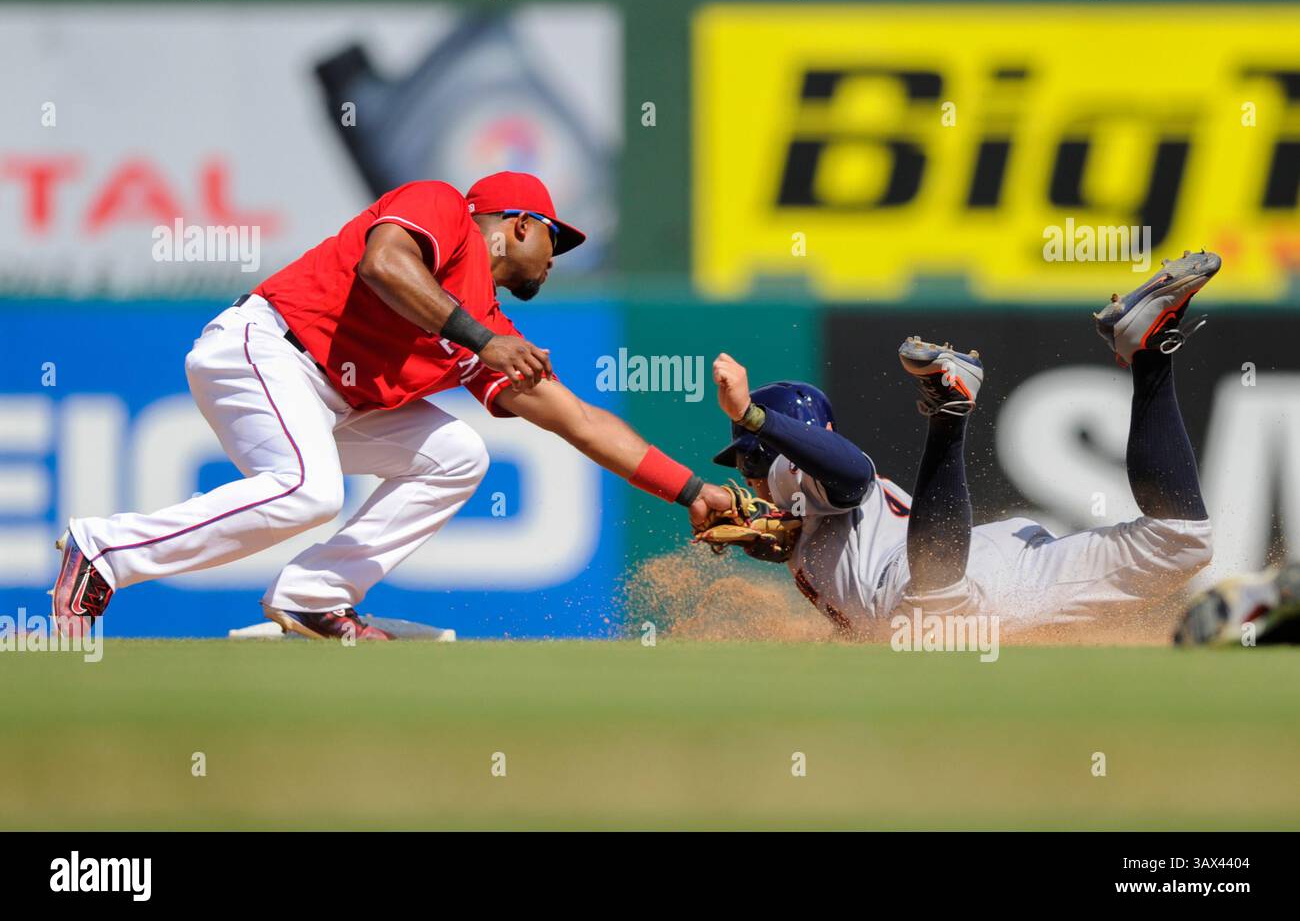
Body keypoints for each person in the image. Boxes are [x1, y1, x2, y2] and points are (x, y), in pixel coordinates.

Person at [51, 171, 730, 640]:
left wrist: (692, 490)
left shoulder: (491, 326)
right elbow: (384, 265)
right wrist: (480, 340)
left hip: (336, 401)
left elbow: (581, 420)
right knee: (308, 491)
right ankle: (104, 550)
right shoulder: (446, 212)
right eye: (558, 237)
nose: (558, 257)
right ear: (521, 225)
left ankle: (312, 596)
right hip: (266, 347)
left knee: (458, 455)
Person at [705, 251, 1220, 636]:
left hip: (928, 576)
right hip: (989, 566)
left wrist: (753, 416)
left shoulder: (794, 475)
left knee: (932, 618)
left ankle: (948, 415)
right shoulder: (806, 522)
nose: (748, 478)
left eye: (747, 459)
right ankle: (1149, 350)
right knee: (1179, 542)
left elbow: (852, 473)